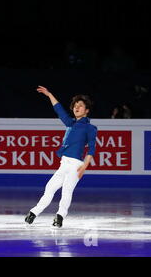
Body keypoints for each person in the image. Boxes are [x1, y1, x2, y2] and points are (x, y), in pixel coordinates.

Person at [24, 86, 98, 228]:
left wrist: (84, 167)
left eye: (80, 106)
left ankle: (59, 217)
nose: (77, 108)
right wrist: (49, 94)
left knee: (67, 191)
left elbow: (92, 149)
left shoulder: (90, 128)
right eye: (75, 106)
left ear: (86, 110)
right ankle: (33, 213)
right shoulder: (70, 123)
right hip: (63, 164)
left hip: (76, 165)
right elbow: (59, 110)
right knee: (50, 187)